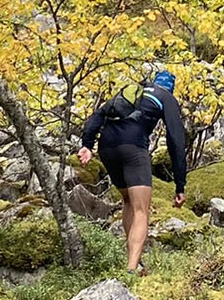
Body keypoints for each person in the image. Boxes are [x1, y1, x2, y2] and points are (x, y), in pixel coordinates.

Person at [76, 68, 189, 275]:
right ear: (170, 88)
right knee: (141, 210)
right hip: (133, 148)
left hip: (107, 147)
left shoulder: (133, 91)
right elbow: (176, 140)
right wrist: (180, 184)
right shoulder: (166, 97)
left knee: (128, 200)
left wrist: (87, 145)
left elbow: (99, 114)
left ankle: (134, 261)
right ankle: (132, 269)